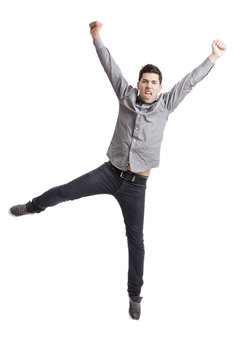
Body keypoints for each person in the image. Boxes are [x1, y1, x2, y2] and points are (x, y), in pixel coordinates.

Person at [9, 21, 227, 320]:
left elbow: (190, 81)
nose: (149, 86)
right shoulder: (125, 95)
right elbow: (109, 66)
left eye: (154, 82)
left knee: (135, 240)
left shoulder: (166, 105)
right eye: (145, 81)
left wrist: (213, 57)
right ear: (139, 84)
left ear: (160, 87)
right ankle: (33, 207)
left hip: (136, 186)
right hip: (109, 173)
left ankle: (134, 295)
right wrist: (97, 38)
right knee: (65, 191)